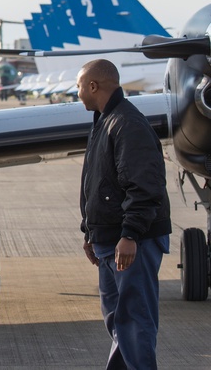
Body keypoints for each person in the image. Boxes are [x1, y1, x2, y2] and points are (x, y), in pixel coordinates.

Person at [77, 58, 171, 370]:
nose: (77, 93)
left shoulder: (127, 124)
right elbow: (98, 182)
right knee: (119, 321)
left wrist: (130, 235)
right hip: (109, 240)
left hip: (132, 242)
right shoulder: (105, 120)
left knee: (133, 320)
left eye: (79, 86)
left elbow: (145, 185)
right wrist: (90, 233)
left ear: (94, 86)